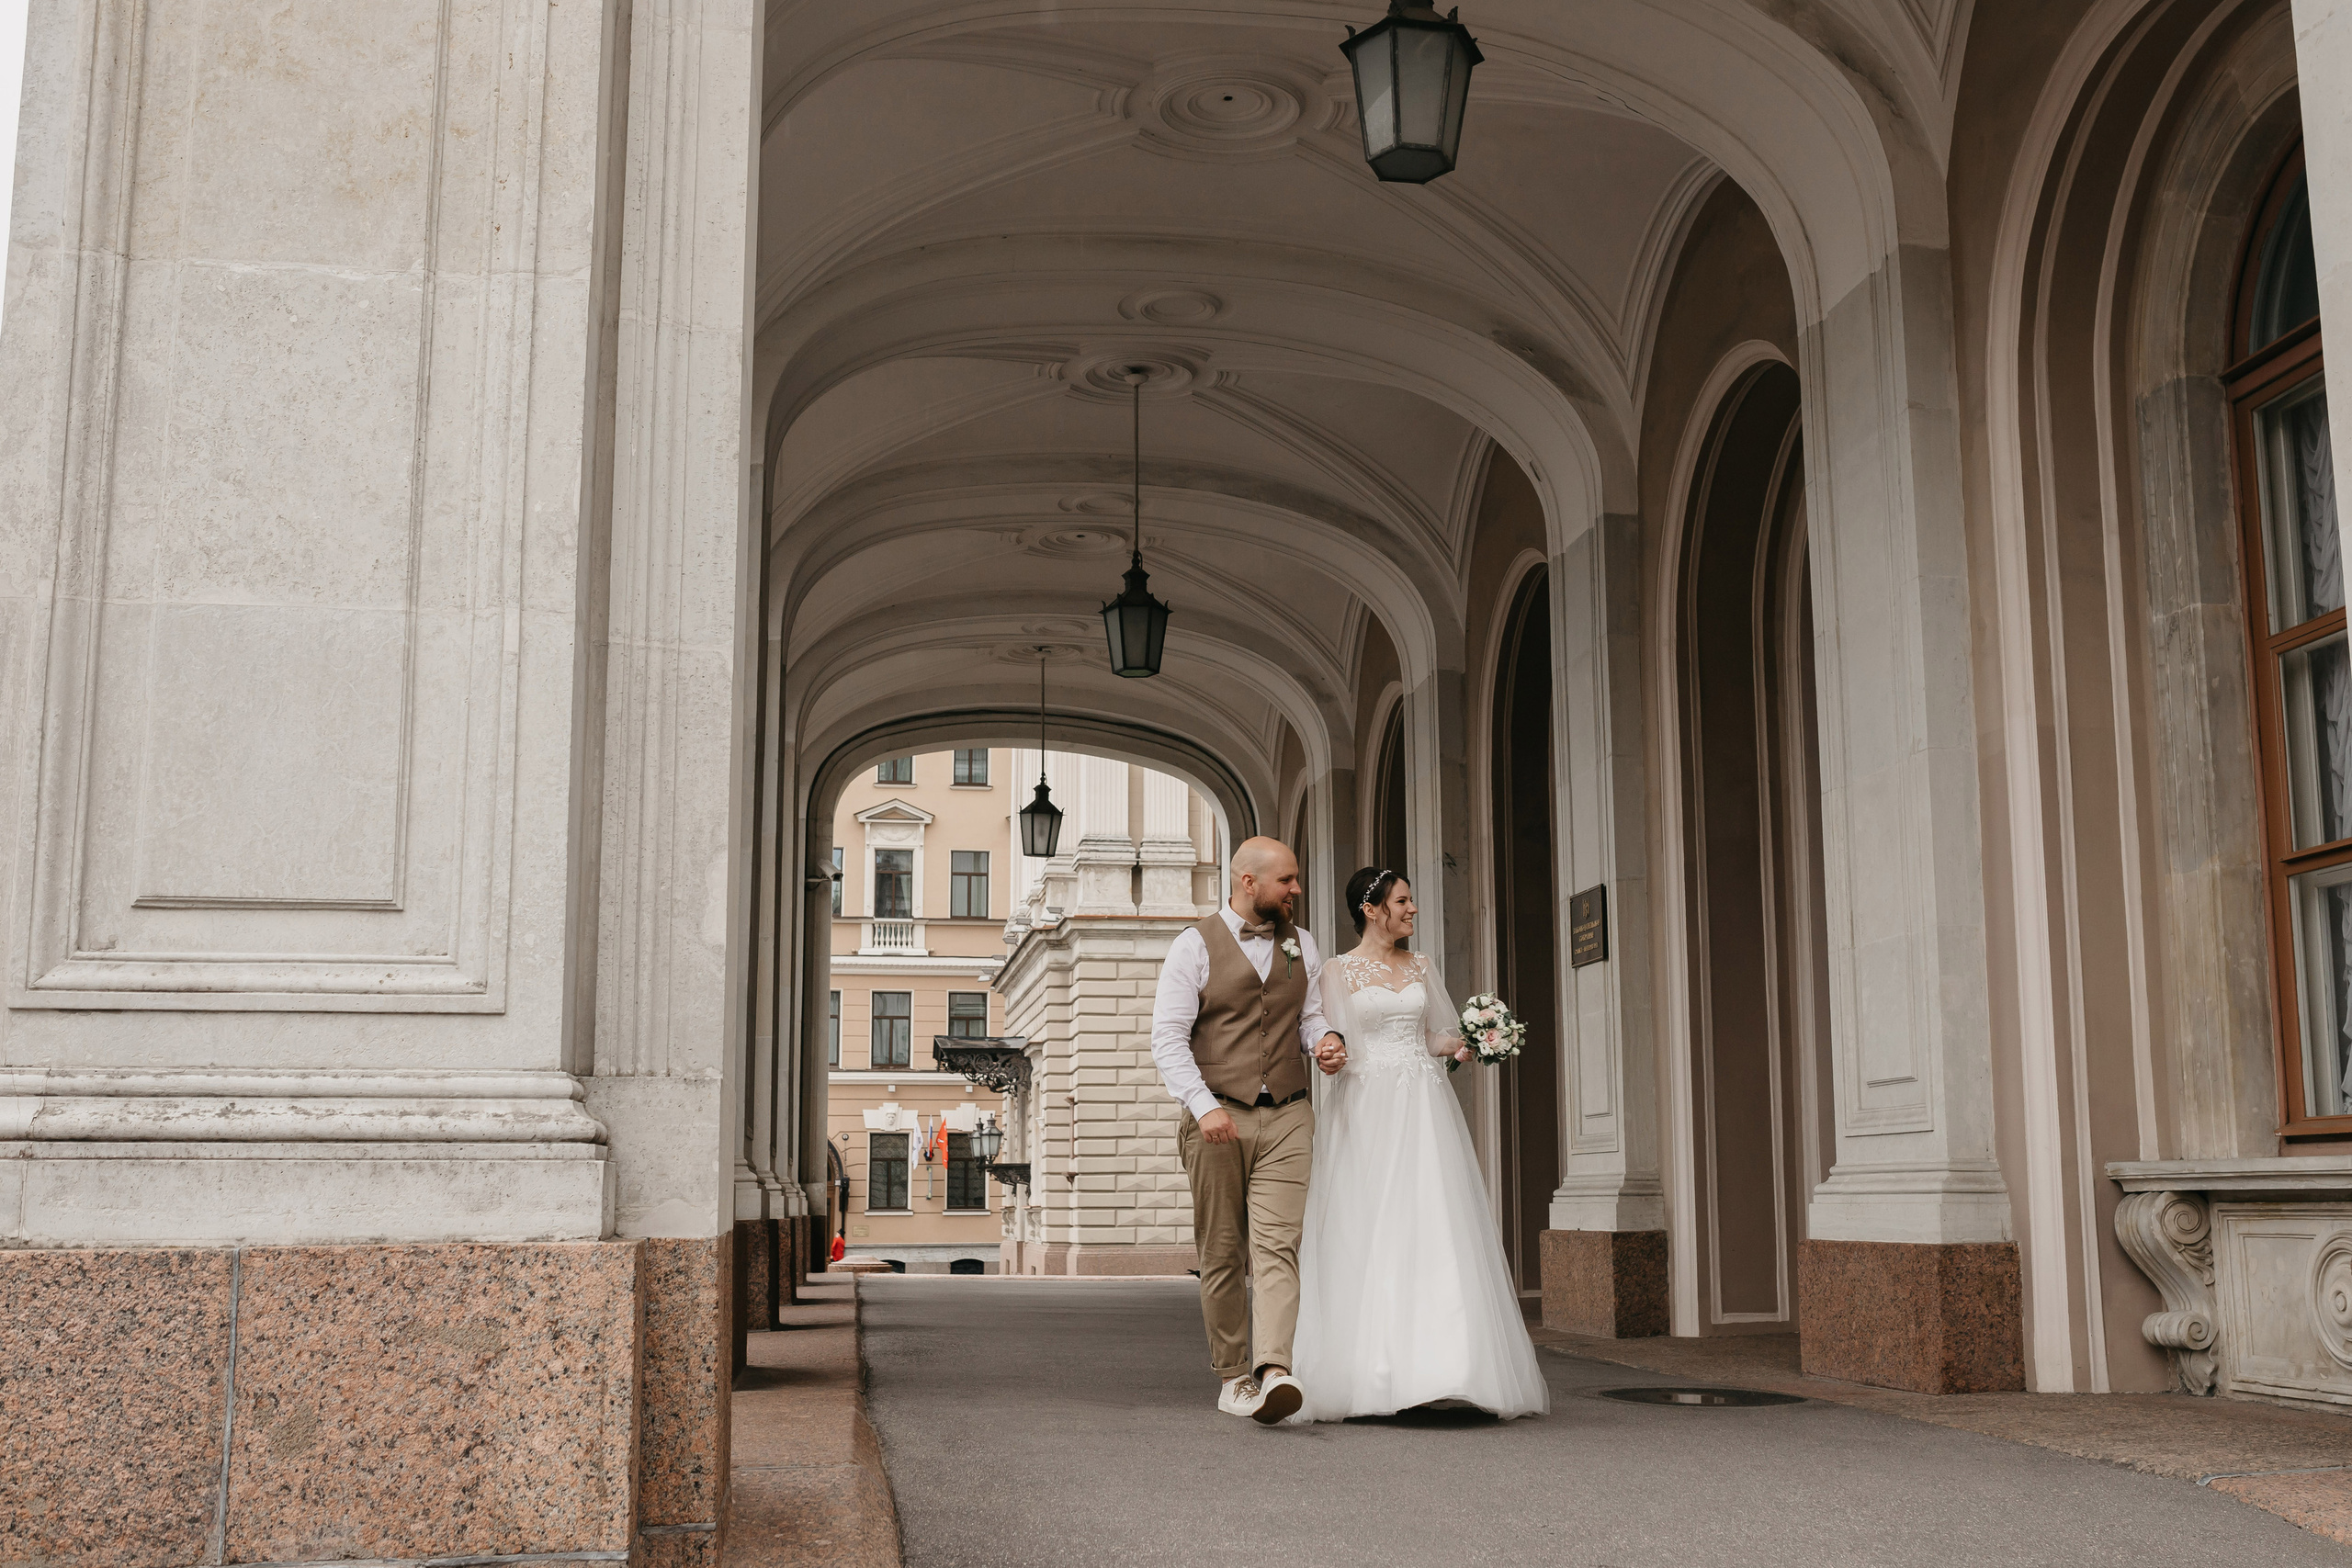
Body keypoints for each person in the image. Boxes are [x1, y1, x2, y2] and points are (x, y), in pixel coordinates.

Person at [1288, 866, 1551, 1422]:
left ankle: (1446, 1368)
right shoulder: (1336, 970)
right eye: (1402, 901)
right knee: (1370, 1225)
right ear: (1371, 908)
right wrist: (1329, 1055)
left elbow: (1429, 1035)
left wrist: (1472, 1040)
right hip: (1366, 1107)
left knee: (1432, 1221)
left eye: (1411, 901)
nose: (1412, 910)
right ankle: (1373, 1376)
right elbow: (1329, 1039)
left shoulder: (1421, 966)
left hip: (1423, 1107)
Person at [1148, 835, 1347, 1424]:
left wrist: (1325, 1042)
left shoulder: (1301, 943)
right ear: (1248, 882)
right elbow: (1168, 1038)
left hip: (1288, 1113)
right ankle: (1234, 1376)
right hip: (1218, 1116)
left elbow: (1308, 1017)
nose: (1296, 889)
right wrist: (1202, 1105)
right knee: (1223, 1253)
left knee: (1278, 1246)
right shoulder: (1193, 945)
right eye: (1286, 879)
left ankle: (1274, 1369)